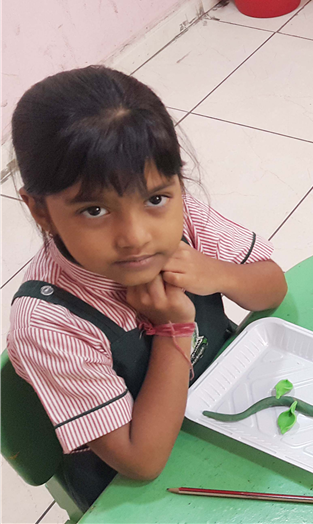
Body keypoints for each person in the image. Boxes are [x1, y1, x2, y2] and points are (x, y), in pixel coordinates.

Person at [5, 66, 288, 510]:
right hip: (139, 493)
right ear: (40, 211)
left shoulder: (184, 217)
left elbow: (273, 288)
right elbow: (142, 460)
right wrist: (174, 328)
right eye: (95, 210)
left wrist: (218, 273)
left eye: (155, 198)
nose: (136, 236)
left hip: (226, 410)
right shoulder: (47, 323)